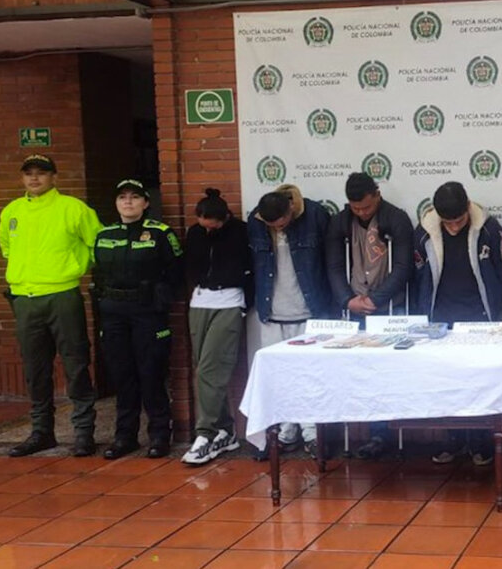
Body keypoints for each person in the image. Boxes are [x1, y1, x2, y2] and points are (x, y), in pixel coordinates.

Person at [0, 154, 103, 457]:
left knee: (75, 363)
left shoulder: (73, 208)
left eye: (41, 174)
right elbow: (7, 246)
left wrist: (76, 266)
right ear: (22, 178)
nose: (34, 179)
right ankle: (42, 432)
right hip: (25, 298)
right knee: (35, 369)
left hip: (62, 295)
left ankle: (84, 432)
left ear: (54, 178)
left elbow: (98, 244)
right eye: (29, 174)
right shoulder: (12, 211)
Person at [412, 181, 502, 465]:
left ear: (468, 207)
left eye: (459, 220)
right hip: (441, 318)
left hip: (480, 318)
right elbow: (419, 274)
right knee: (447, 384)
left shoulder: (490, 229)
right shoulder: (424, 233)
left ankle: (481, 444)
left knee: (480, 384)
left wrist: (491, 305)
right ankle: (453, 441)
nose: (454, 227)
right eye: (448, 222)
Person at [92, 179, 183, 460]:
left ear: (145, 203)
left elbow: (177, 274)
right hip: (114, 314)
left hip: (147, 313)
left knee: (151, 374)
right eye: (122, 198)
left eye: (134, 197)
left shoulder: (160, 234)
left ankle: (158, 435)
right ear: (116, 203)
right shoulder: (104, 235)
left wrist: (159, 300)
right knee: (122, 376)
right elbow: (98, 275)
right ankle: (125, 436)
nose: (128, 202)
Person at [326, 172, 413, 459]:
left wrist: (376, 300)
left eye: (365, 206)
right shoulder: (340, 221)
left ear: (377, 194)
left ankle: (391, 430)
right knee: (363, 373)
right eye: (355, 208)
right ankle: (373, 433)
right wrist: (347, 299)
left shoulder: (396, 218)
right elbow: (334, 266)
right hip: (354, 303)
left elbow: (402, 266)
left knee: (391, 372)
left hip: (389, 306)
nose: (361, 212)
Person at [248, 183, 332, 456]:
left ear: (291, 209)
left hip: (309, 311)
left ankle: (312, 433)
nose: (277, 227)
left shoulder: (316, 215)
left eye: (281, 222)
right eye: (271, 224)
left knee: (310, 375)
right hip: (272, 313)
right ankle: (285, 431)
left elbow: (329, 262)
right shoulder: (256, 221)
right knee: (278, 377)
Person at [181, 188, 252, 466]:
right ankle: (225, 429)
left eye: (213, 224)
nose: (207, 228)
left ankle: (205, 433)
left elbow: (251, 269)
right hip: (199, 301)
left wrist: (248, 302)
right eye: (203, 223)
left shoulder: (241, 232)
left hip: (229, 301)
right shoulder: (195, 233)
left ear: (224, 218)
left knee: (213, 367)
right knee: (202, 368)